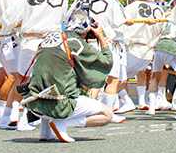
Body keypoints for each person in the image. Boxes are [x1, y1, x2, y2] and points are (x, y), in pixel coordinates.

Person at [23, 8, 115, 143]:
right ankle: (62, 124)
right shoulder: (76, 43)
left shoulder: (50, 37)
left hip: (34, 104)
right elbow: (106, 62)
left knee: (49, 80)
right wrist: (101, 37)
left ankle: (45, 131)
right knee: (107, 114)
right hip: (60, 104)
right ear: (86, 30)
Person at [2, 0, 71, 132]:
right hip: (51, 43)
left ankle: (10, 115)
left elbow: (9, 17)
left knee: (22, 79)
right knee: (45, 81)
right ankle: (30, 117)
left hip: (29, 40)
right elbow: (63, 20)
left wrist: (10, 30)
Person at [123, 0, 164, 110]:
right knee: (131, 74)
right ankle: (133, 101)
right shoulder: (160, 11)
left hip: (134, 48)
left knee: (118, 76)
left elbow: (122, 21)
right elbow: (161, 32)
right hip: (148, 51)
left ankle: (124, 101)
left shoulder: (133, 7)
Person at [146, 0, 176, 115]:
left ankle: (152, 107)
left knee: (155, 77)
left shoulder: (164, 16)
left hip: (160, 46)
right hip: (173, 46)